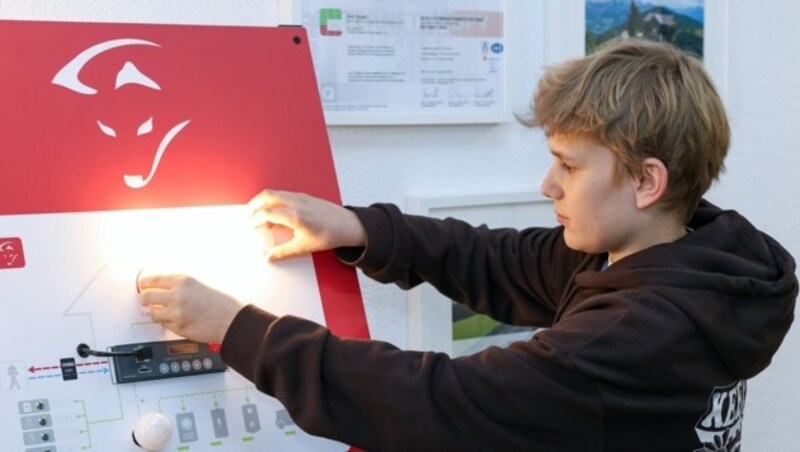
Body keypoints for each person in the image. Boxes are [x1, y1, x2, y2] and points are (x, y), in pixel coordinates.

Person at [137, 39, 797, 451]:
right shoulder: (693, 257)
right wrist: (361, 229)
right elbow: (498, 258)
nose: (548, 185)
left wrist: (236, 327)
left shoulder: (635, 331)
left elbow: (439, 403)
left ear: (647, 181)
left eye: (568, 166)